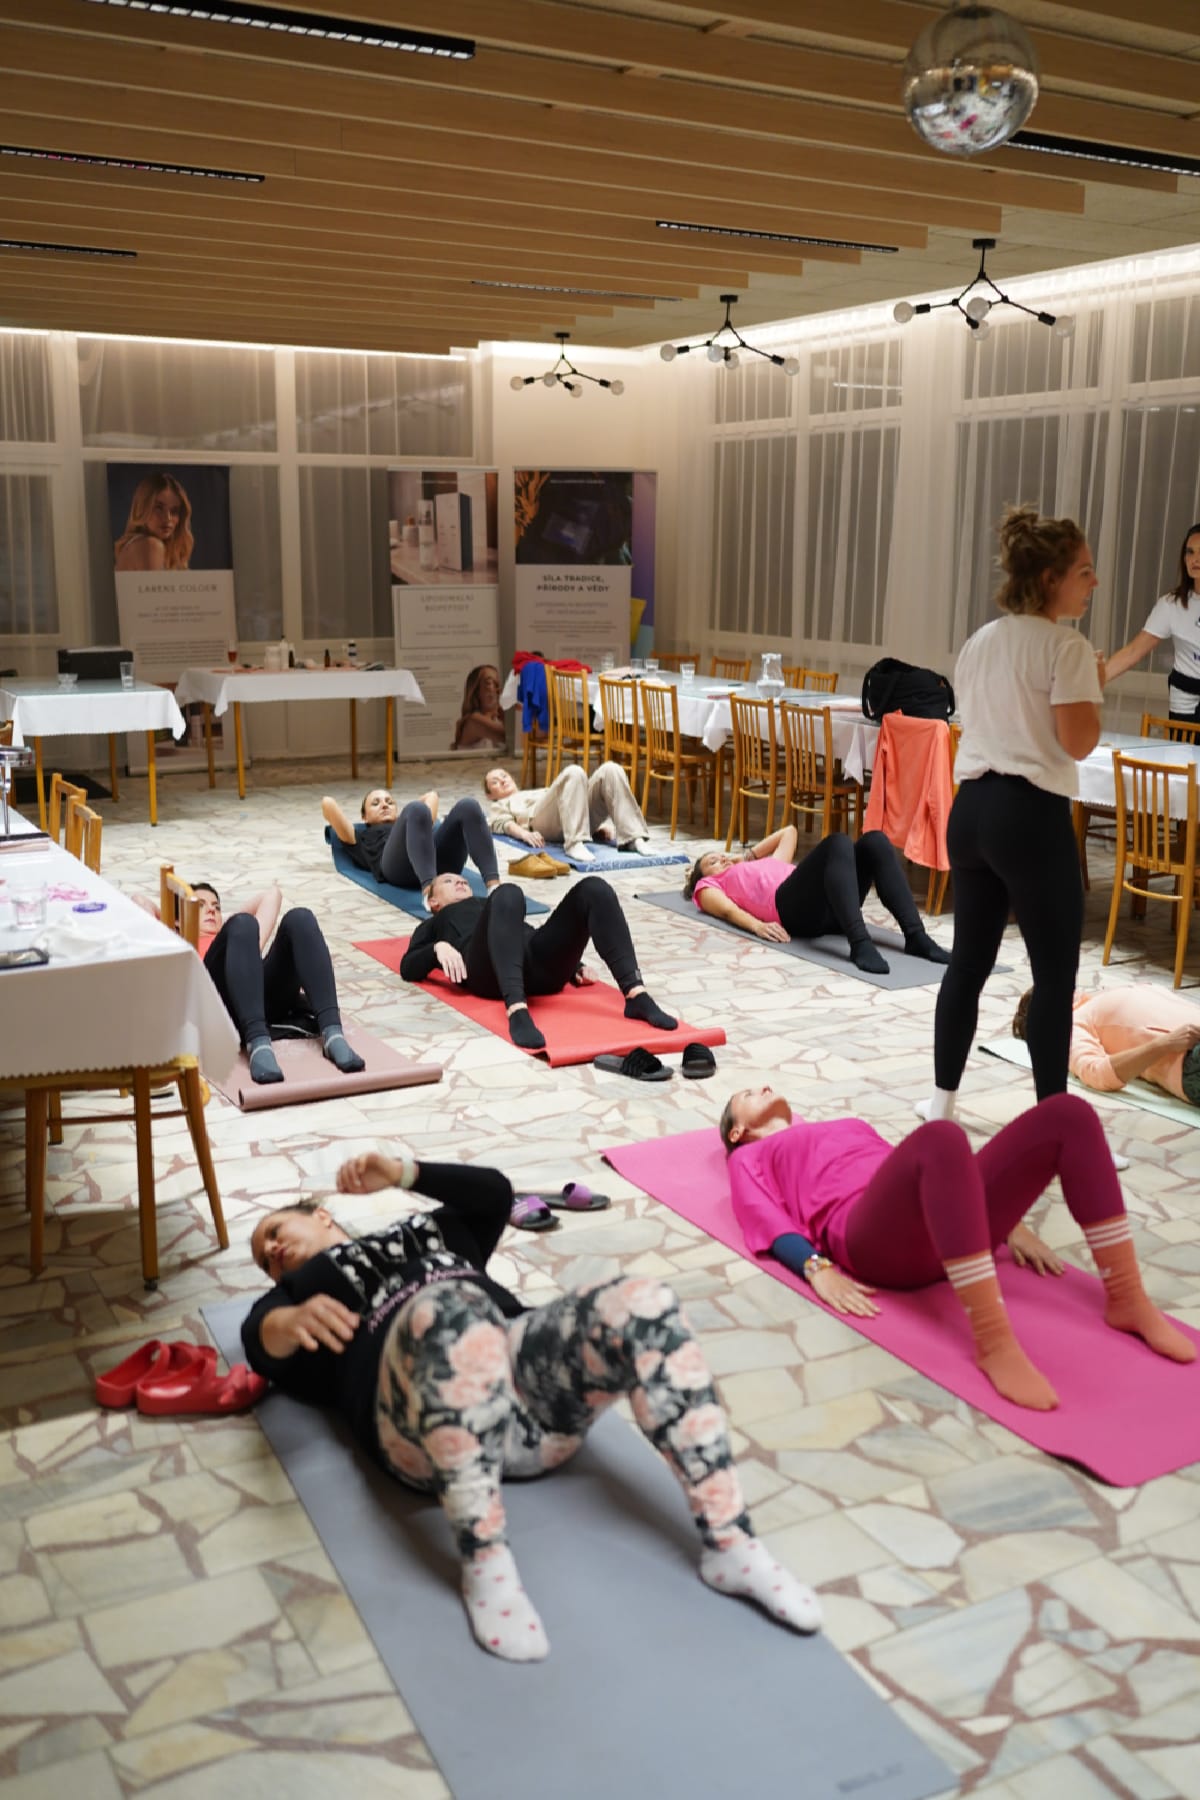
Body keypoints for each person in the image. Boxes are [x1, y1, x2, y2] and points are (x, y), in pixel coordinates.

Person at [242, 1153, 822, 1662]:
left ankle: (732, 1544)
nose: (271, 1251)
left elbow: (493, 1193)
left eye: (273, 1231)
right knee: (445, 1315)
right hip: (421, 1431)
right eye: (265, 1259)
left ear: (321, 1214)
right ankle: (487, 1566)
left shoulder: (431, 1231)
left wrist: (402, 1173)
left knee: (646, 1300)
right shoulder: (300, 1293)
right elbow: (258, 1338)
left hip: (531, 1404)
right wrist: (287, 1321)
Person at [721, 1085, 1194, 1413]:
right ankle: (994, 1342)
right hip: (873, 1239)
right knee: (941, 1135)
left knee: (1069, 1113)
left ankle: (1127, 1296)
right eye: (747, 1094)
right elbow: (759, 1212)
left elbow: (933, 1174)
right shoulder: (749, 1156)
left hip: (946, 1231)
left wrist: (1007, 1223)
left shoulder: (849, 1124)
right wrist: (813, 1265)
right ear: (737, 1131)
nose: (762, 1087)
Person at [928, 505, 1105, 1120]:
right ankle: (1054, 1130)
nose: (1095, 582)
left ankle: (941, 1107)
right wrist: (1093, 686)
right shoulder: (1067, 647)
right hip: (1028, 816)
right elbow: (1078, 743)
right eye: (1084, 571)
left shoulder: (980, 640)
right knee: (1055, 977)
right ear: (1051, 578)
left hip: (971, 812)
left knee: (967, 964)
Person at [399, 872, 676, 1052]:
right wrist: (436, 948)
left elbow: (525, 933)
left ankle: (636, 994)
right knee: (507, 892)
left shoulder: (491, 903)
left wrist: (574, 967)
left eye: (463, 880)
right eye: (449, 882)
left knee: (595, 888)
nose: (460, 882)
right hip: (489, 974)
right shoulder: (435, 923)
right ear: (433, 902)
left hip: (539, 968)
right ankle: (517, 1009)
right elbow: (407, 967)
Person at [683, 823, 949, 976]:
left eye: (720, 855)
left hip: (829, 903)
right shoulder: (708, 886)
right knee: (837, 842)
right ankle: (860, 943)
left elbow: (789, 832)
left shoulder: (759, 864)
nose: (720, 859)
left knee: (875, 841)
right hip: (790, 910)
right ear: (702, 876)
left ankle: (916, 936)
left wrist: (746, 857)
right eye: (712, 861)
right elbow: (727, 911)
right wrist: (757, 926)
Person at [193, 883, 364, 1084]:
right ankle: (258, 1043)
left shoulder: (236, 930)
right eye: (200, 905)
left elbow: (272, 895)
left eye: (216, 907)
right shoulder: (177, 938)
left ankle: (333, 1033)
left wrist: (239, 931)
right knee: (242, 923)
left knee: (300, 918)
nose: (211, 910)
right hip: (217, 1002)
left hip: (253, 993)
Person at [1015, 983, 1200, 1106]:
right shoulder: (1072, 1025)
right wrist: (1164, 1044)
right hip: (1188, 1058)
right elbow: (1096, 1072)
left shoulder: (1097, 1001)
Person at [322, 787, 499, 897]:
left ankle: (494, 887)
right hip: (398, 870)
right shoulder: (358, 836)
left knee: (468, 805)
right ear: (364, 816)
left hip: (436, 863)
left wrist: (407, 817)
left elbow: (432, 796)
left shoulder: (413, 819)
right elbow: (327, 803)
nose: (384, 805)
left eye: (389, 802)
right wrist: (409, 813)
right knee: (416, 808)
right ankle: (430, 892)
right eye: (375, 803)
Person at [1104, 523, 1200, 722]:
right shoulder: (1171, 604)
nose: (1195, 559)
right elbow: (1133, 651)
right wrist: (1090, 682)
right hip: (1184, 702)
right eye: (1190, 552)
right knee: (1182, 744)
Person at [483, 762, 652, 862]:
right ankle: (574, 843)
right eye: (495, 782)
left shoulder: (538, 791)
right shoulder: (500, 804)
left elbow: (571, 799)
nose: (502, 781)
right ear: (490, 795)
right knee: (574, 772)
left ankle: (633, 838)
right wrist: (524, 835)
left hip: (567, 820)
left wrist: (593, 828)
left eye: (504, 776)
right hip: (541, 822)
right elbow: (504, 824)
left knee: (611, 769)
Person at [114, 471, 193, 572]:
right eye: (158, 508)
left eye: (174, 511)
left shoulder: (139, 545)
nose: (167, 518)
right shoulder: (150, 545)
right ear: (143, 508)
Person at [452, 664, 506, 752]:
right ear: (476, 691)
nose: (497, 687)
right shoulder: (473, 721)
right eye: (490, 682)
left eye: (497, 682)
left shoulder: (496, 720)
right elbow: (510, 737)